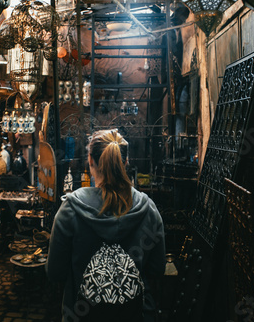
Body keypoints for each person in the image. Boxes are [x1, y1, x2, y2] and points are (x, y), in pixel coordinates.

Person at [46, 129, 166, 322]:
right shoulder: (149, 209)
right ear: (125, 162)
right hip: (137, 315)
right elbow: (157, 269)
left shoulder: (70, 210)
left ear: (90, 160)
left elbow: (55, 272)